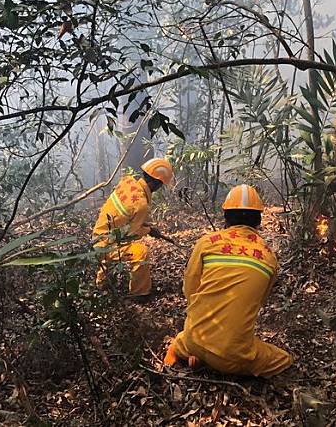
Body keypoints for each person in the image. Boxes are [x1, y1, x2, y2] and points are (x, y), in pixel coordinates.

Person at [164, 184, 292, 377]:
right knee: (284, 359)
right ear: (258, 219)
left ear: (226, 217)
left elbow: (190, 289)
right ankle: (211, 359)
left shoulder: (207, 242)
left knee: (183, 339)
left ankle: (189, 353)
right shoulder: (268, 256)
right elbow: (257, 303)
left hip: (194, 338)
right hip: (233, 355)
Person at [92, 158, 173, 296]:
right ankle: (140, 293)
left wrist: (145, 225)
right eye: (161, 184)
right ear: (156, 183)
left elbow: (123, 217)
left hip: (98, 236)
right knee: (141, 252)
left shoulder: (127, 182)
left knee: (110, 252)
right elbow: (131, 234)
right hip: (107, 244)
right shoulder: (141, 205)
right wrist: (149, 230)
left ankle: (102, 285)